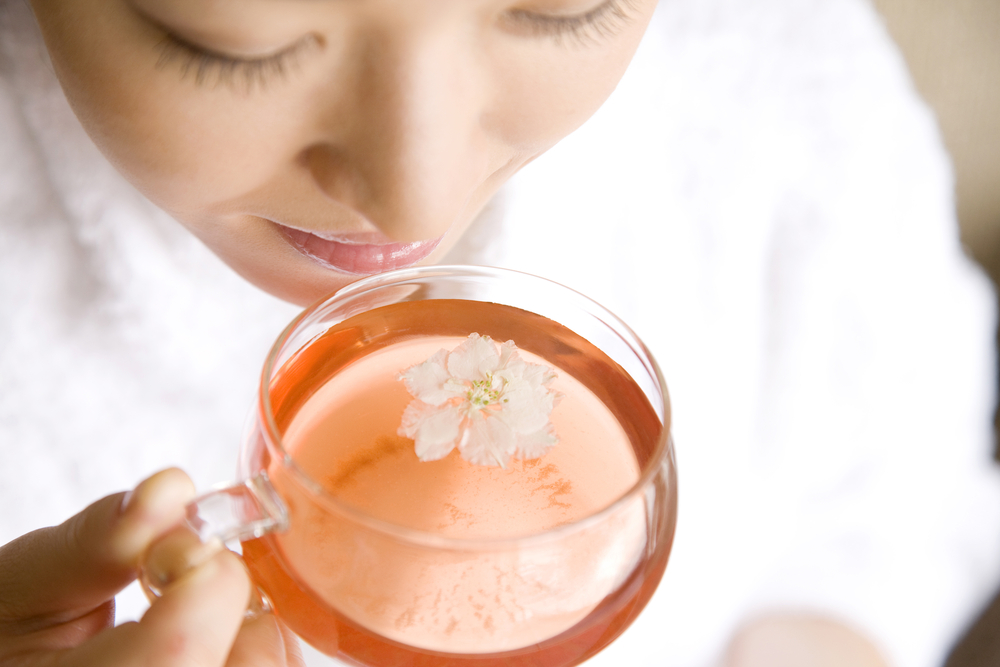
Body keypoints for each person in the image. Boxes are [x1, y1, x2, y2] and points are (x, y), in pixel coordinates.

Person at [1, 0, 999, 666]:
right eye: (236, 47)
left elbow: (889, 495)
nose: (415, 199)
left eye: (563, 9)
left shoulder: (778, 102)